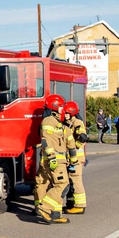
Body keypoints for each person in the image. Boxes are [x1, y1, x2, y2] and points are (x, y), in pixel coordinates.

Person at [34, 94, 77, 224]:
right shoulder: (48, 121)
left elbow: (69, 143)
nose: (63, 109)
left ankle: (56, 214)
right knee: (62, 185)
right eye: (61, 106)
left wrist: (73, 160)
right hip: (54, 160)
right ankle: (45, 208)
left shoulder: (58, 123)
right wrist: (52, 157)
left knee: (56, 185)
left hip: (60, 161)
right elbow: (46, 140)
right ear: (55, 107)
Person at [63, 102, 88, 214]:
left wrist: (74, 148)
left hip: (76, 159)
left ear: (72, 113)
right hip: (70, 158)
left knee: (76, 181)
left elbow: (83, 137)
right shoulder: (67, 123)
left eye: (67, 113)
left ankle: (80, 206)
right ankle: (70, 203)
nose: (65, 115)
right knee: (70, 182)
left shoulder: (77, 122)